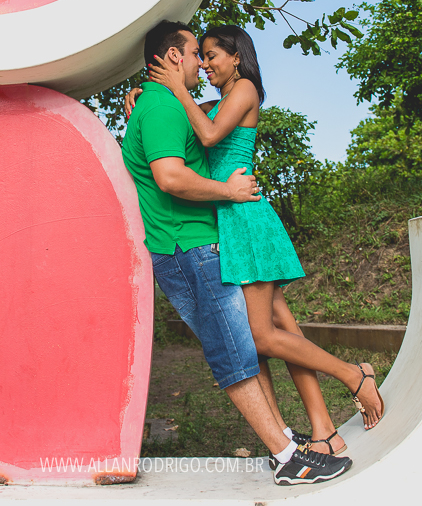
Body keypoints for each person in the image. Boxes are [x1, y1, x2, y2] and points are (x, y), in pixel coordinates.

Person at [129, 24, 385, 450]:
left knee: (262, 335)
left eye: (211, 55)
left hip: (246, 219)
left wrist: (178, 90)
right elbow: (187, 119)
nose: (205, 63)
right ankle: (323, 431)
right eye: (200, 55)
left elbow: (207, 134)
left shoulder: (245, 88)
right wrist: (149, 97)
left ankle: (354, 376)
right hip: (227, 222)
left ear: (235, 56)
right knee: (279, 328)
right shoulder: (218, 100)